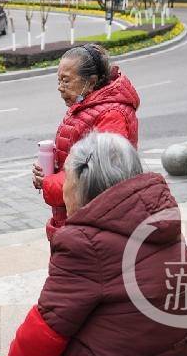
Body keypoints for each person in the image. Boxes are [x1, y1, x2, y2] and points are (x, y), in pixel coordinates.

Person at [7, 133, 187, 356]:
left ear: (84, 181)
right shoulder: (161, 222)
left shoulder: (85, 244)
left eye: (65, 176)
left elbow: (43, 333)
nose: (63, 187)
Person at [31, 44, 140, 240]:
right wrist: (48, 170)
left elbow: (98, 177)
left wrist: (48, 183)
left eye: (66, 81)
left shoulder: (111, 114)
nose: (60, 87)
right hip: (74, 220)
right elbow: (74, 158)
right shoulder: (84, 106)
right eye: (58, 80)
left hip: (94, 226)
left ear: (91, 82)